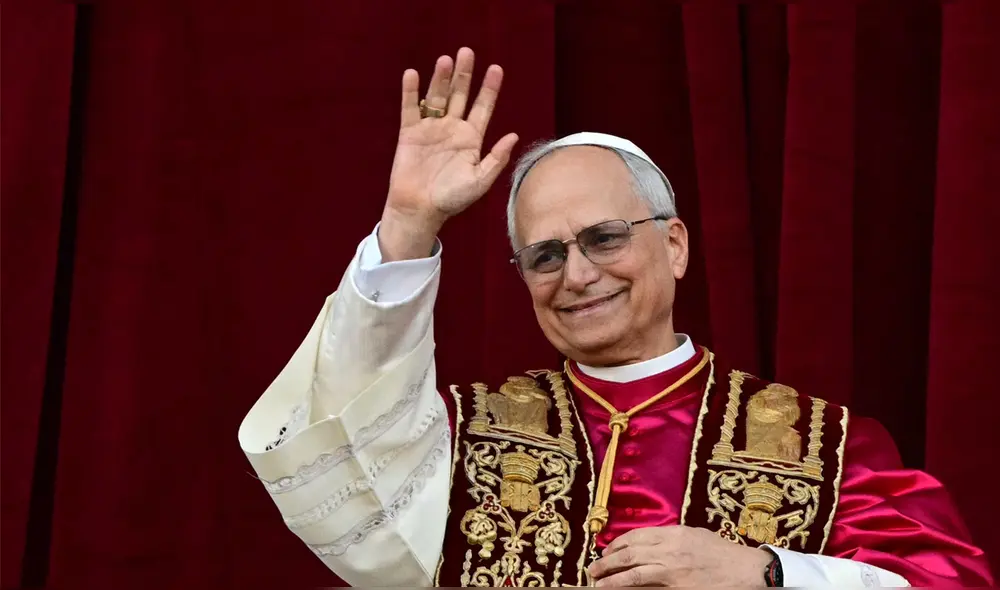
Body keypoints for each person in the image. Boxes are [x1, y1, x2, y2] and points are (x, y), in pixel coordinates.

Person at [237, 48, 993, 587]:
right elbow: (342, 450)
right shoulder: (459, 438)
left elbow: (948, 581)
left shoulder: (820, 446)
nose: (578, 275)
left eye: (603, 239)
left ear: (674, 245)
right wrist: (407, 224)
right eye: (544, 255)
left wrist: (769, 575)